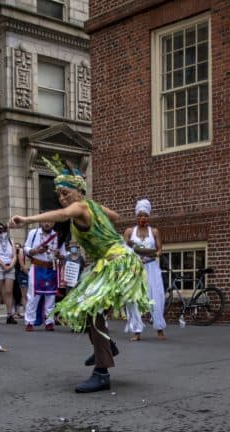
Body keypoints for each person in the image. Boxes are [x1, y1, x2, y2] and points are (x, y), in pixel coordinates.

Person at [10, 160, 150, 392]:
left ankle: (102, 372)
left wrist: (25, 220)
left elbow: (64, 214)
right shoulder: (90, 206)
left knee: (92, 312)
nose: (62, 198)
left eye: (66, 193)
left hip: (117, 263)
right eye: (59, 195)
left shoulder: (79, 207)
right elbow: (114, 216)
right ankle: (106, 347)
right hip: (116, 260)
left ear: (78, 191)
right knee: (84, 309)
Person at [124, 198, 166, 341]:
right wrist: (134, 258)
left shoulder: (154, 231)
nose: (143, 218)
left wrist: (153, 253)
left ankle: (160, 329)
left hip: (151, 267)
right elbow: (124, 250)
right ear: (137, 216)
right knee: (134, 299)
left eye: (145, 215)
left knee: (156, 297)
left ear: (149, 217)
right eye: (140, 215)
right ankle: (137, 331)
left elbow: (160, 250)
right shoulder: (129, 232)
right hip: (136, 268)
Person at [23, 219, 60, 331]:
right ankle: (29, 321)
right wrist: (34, 251)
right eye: (44, 221)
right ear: (40, 222)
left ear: (53, 223)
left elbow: (62, 253)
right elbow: (25, 248)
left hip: (51, 268)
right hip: (37, 268)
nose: (47, 223)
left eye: (49, 221)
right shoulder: (33, 233)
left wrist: (59, 254)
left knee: (51, 296)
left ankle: (49, 321)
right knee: (33, 296)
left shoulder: (57, 235)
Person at [0, 222, 17, 323]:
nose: (2, 233)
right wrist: (3, 265)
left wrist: (10, 265)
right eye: (0, 231)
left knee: (9, 292)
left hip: (9, 266)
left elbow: (14, 255)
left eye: (4, 230)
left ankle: (9, 315)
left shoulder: (11, 240)